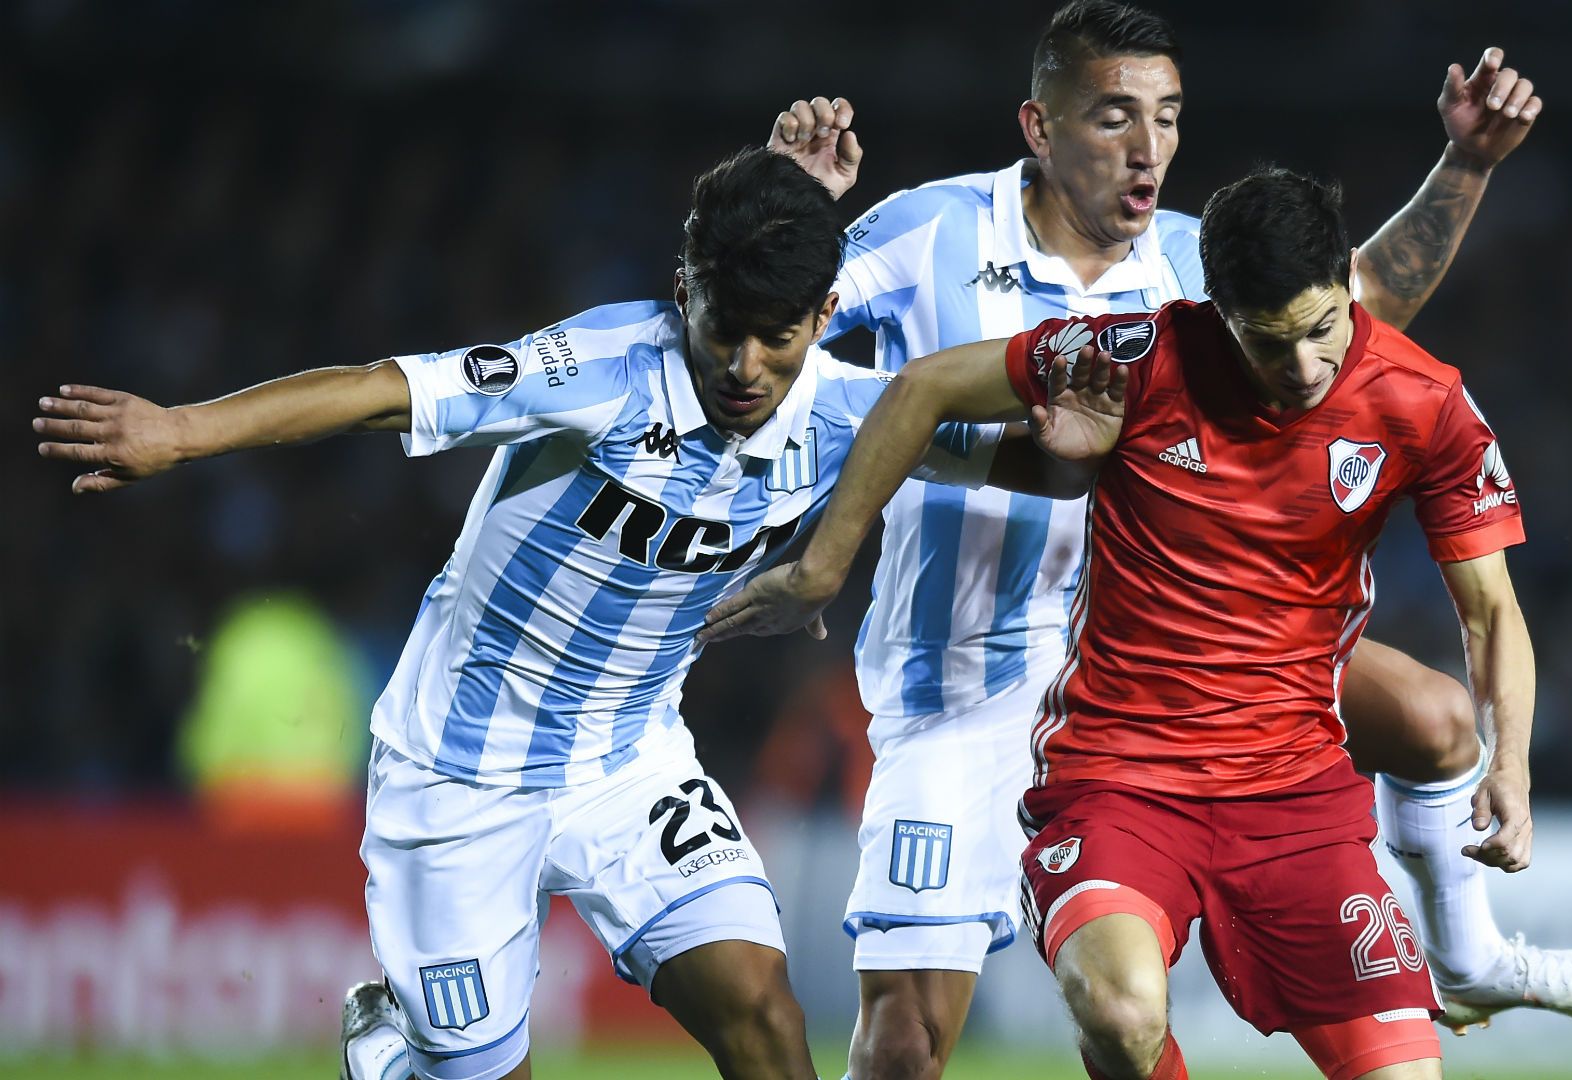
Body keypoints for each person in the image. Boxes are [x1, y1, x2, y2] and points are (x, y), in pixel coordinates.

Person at [32, 148, 1097, 1080]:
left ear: (823, 319)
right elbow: (383, 390)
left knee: (766, 1017)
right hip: (458, 773)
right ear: (684, 292)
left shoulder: (849, 412)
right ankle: (397, 1055)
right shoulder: (601, 370)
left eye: (776, 338)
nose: (744, 368)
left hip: (630, 763)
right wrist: (180, 432)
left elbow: (1037, 460)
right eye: (722, 330)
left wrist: (1116, 431)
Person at [758, 2, 1572, 1072]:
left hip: (1175, 648)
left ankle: (1469, 953)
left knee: (1434, 715)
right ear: (1040, 125)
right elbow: (772, 349)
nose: (1150, 148)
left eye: (1169, 117)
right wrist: (788, 217)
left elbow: (1355, 310)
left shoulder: (1199, 265)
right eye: (1116, 117)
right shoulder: (927, 232)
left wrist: (1465, 165)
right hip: (968, 669)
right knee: (904, 1043)